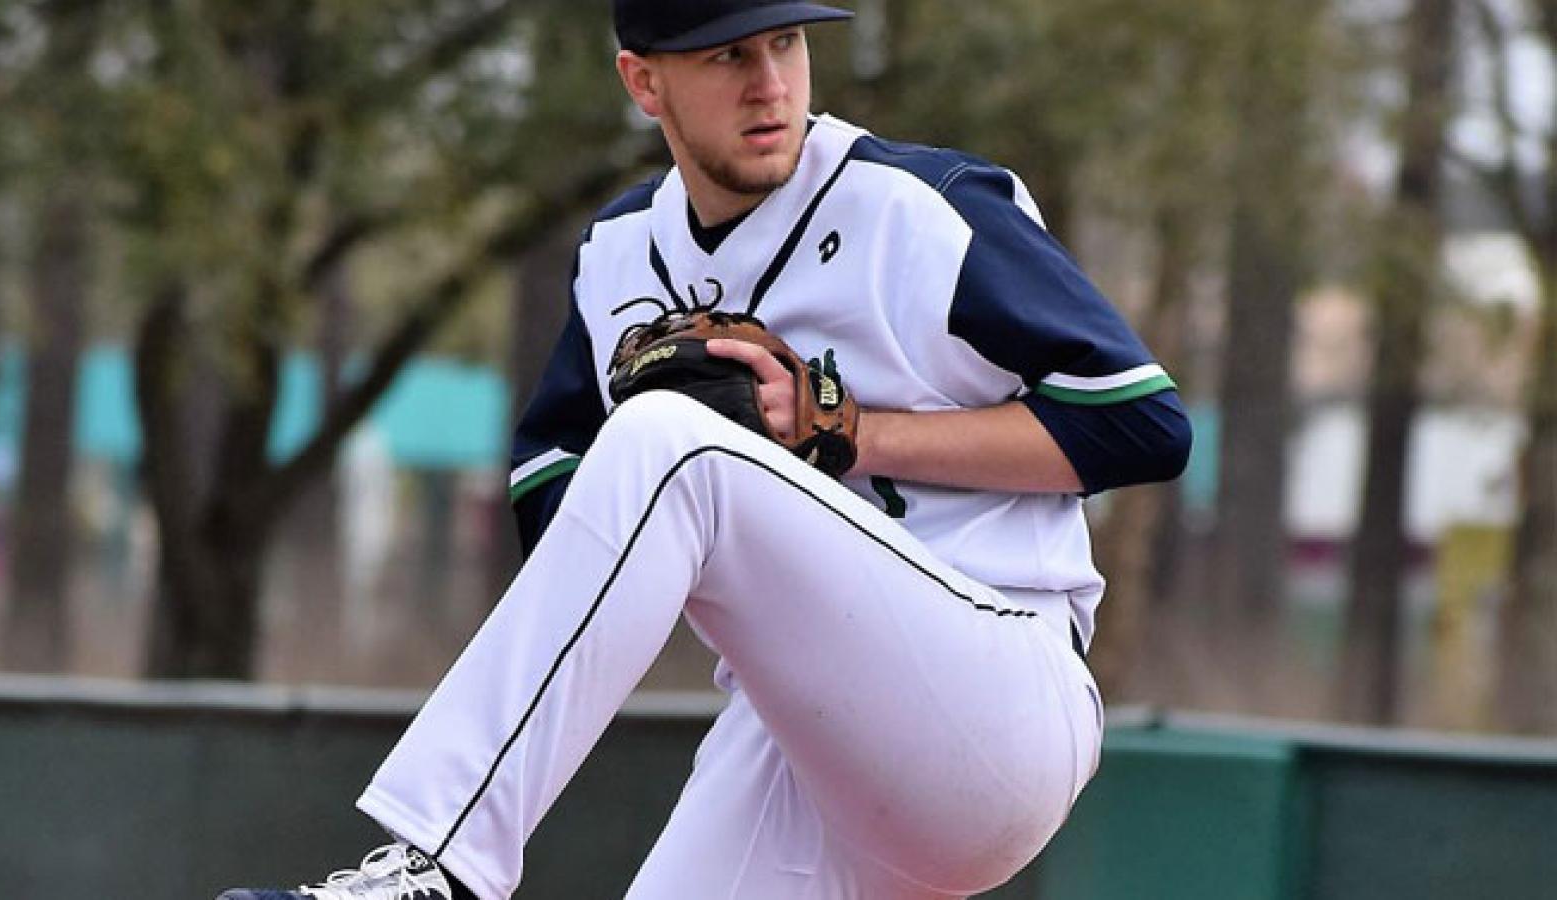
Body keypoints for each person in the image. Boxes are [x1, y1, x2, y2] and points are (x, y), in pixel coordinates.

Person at [218, 0, 1190, 897]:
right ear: (644, 84)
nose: (769, 82)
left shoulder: (921, 207)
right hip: (799, 738)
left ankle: (442, 863)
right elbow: (553, 479)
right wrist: (677, 552)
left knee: (672, 443)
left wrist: (851, 434)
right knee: (668, 453)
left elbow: (1142, 426)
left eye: (786, 43)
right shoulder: (620, 253)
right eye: (728, 54)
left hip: (997, 695)